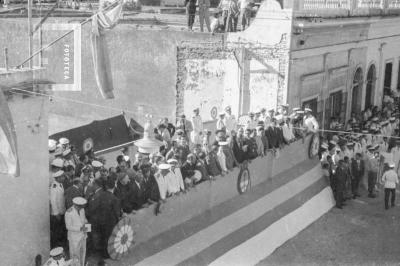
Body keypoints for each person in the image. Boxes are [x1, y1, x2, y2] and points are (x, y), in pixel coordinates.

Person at [87, 178, 121, 258]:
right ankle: (107, 254)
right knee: (109, 238)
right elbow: (117, 213)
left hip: (100, 221)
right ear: (114, 187)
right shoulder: (114, 198)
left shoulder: (100, 195)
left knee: (102, 237)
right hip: (110, 222)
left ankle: (102, 254)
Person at [65, 197, 89, 266]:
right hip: (74, 238)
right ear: (75, 204)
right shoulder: (68, 212)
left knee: (83, 252)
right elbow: (68, 227)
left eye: (82, 206)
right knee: (75, 255)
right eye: (79, 206)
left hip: (83, 235)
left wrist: (86, 223)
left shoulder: (82, 210)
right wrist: (80, 228)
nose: (81, 208)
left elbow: (84, 219)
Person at [50, 170, 67, 248]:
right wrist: (56, 213)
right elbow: (53, 201)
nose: (64, 178)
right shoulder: (54, 186)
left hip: (61, 211)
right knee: (56, 231)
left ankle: (59, 246)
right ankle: (55, 247)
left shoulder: (60, 184)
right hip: (56, 214)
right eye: (62, 177)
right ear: (58, 178)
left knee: (60, 230)